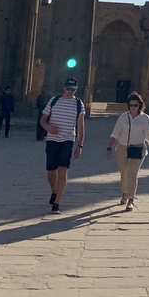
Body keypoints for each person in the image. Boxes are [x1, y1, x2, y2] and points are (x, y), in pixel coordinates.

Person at [39, 77, 86, 214]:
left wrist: (80, 145)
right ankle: (54, 191)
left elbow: (81, 126)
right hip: (52, 139)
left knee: (63, 170)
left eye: (73, 89)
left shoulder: (78, 104)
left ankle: (57, 203)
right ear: (64, 88)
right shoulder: (54, 101)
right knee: (51, 171)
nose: (70, 91)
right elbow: (42, 119)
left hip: (67, 140)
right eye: (68, 88)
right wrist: (48, 127)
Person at [106, 92, 149, 212]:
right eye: (131, 105)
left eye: (136, 105)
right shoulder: (123, 117)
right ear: (128, 105)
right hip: (122, 148)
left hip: (137, 148)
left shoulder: (145, 118)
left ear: (140, 105)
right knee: (123, 173)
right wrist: (109, 148)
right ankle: (124, 193)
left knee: (132, 174)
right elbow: (115, 133)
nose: (133, 107)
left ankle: (130, 199)